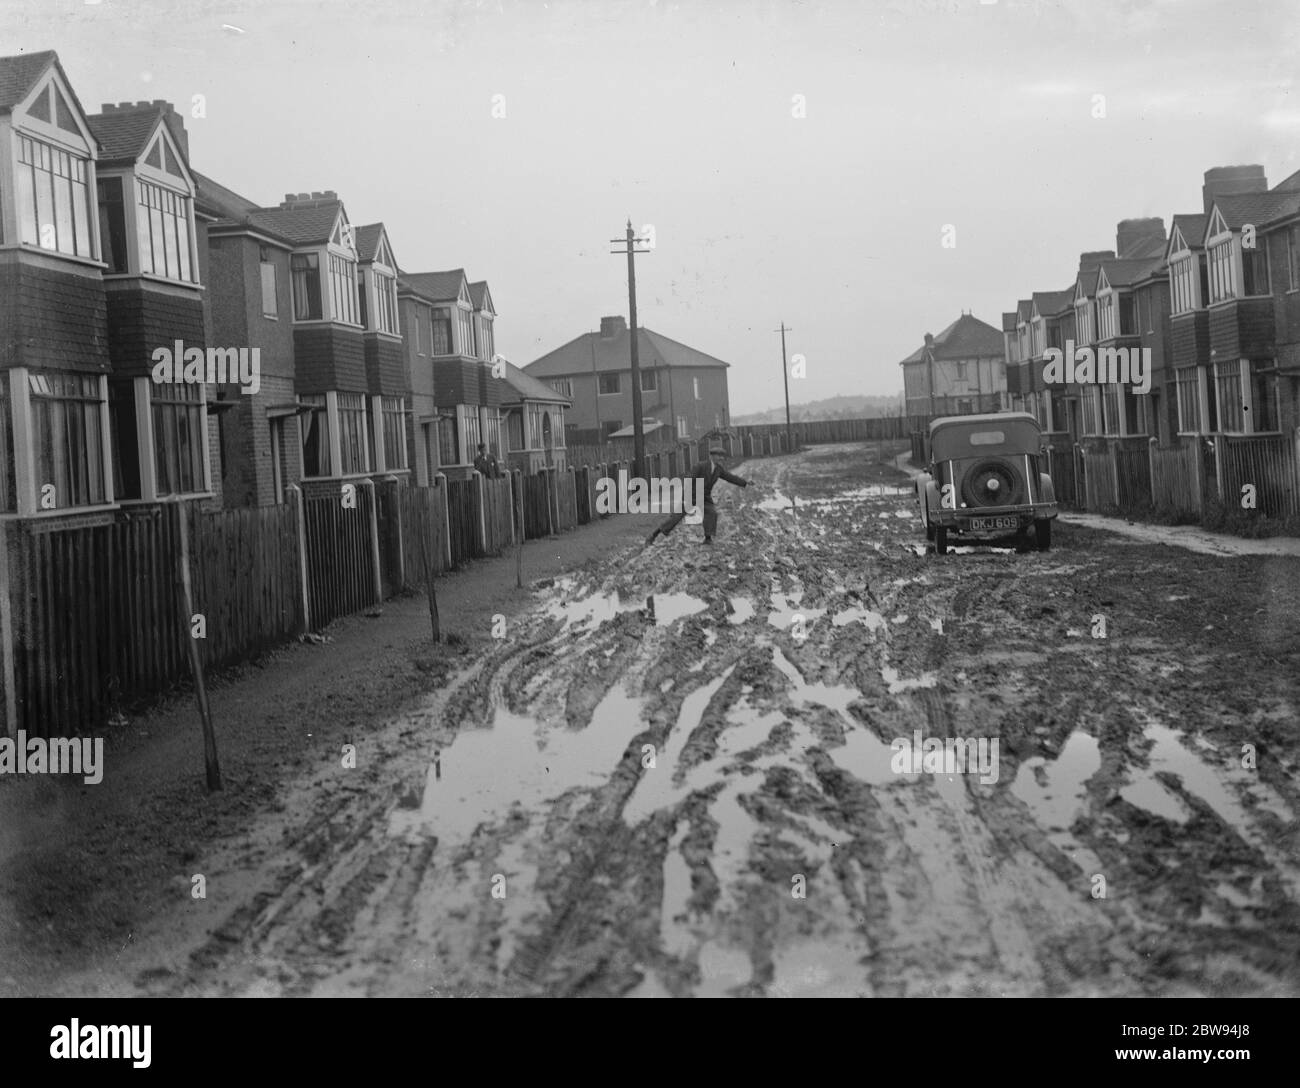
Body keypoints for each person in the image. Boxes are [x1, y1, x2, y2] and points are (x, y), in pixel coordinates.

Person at [646, 446, 750, 545]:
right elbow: (689, 480)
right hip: (691, 495)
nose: (721, 458)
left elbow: (730, 477)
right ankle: (653, 535)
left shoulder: (719, 469)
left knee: (711, 512)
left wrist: (745, 483)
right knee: (675, 517)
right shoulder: (701, 466)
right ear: (712, 456)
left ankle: (708, 538)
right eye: (718, 455)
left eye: (722, 456)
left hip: (705, 497)